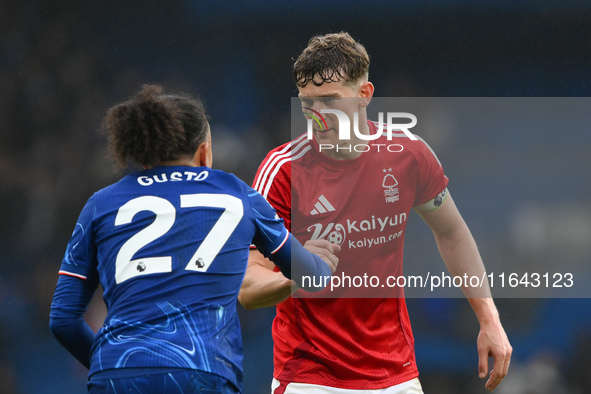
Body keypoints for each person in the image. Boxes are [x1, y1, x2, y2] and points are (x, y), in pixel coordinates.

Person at [238, 32, 512, 393]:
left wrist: (489, 319)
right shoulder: (283, 170)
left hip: (396, 375)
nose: (318, 117)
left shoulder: (408, 154)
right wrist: (295, 278)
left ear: (364, 95)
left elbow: (452, 232)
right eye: (308, 104)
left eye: (330, 101)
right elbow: (247, 283)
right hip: (310, 377)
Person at [49, 84, 340, 393]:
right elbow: (309, 274)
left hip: (117, 372)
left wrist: (108, 365)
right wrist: (320, 261)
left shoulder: (101, 203)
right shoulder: (236, 192)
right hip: (204, 371)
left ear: (145, 157)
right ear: (204, 151)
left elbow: (63, 321)